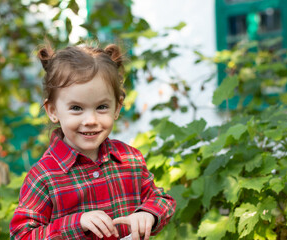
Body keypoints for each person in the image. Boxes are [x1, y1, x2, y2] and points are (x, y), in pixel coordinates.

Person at [9, 42, 176, 240]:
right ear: (53, 111)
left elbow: (162, 199)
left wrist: (148, 214)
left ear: (117, 107)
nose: (90, 121)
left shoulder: (129, 159)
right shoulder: (44, 177)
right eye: (77, 108)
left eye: (102, 107)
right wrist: (76, 223)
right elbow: (22, 235)